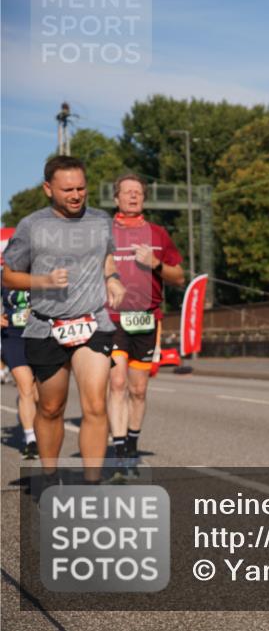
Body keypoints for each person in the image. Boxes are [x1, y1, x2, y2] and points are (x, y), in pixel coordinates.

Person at [1, 155, 126, 484]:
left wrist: (112, 279)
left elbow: (107, 259)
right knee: (51, 407)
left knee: (96, 404)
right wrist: (41, 282)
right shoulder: (32, 226)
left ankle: (92, 483)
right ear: (48, 189)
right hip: (46, 327)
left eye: (81, 188)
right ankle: (49, 475)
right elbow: (9, 277)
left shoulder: (101, 221)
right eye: (67, 189)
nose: (76, 195)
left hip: (92, 322)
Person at [106, 174, 185, 470]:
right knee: (116, 382)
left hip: (146, 319)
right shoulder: (104, 232)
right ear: (116, 199)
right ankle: (118, 449)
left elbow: (179, 276)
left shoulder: (157, 233)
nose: (132, 196)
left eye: (137, 192)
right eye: (127, 192)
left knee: (138, 389)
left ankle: (132, 443)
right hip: (111, 318)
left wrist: (156, 264)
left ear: (144, 198)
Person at [1, 286, 38, 458]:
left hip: (40, 335)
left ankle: (27, 410)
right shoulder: (4, 272)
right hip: (12, 335)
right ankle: (31, 439)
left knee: (38, 394)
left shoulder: (41, 266)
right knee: (26, 386)